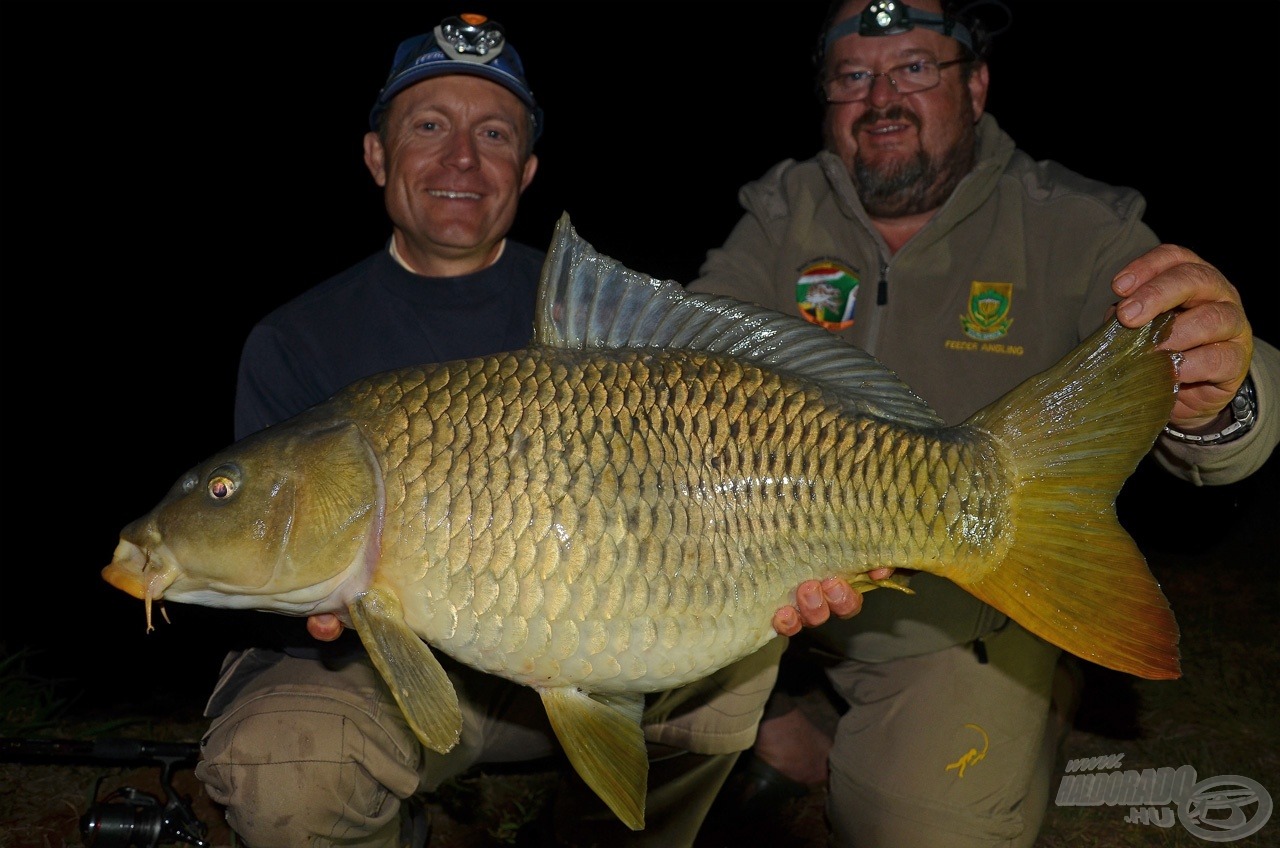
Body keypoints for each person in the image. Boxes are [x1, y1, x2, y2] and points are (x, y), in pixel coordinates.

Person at [194, 13, 798, 847]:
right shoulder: (297, 340)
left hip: (580, 645)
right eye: (429, 127)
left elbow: (720, 475)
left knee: (737, 669)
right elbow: (271, 564)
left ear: (528, 167)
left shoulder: (594, 321)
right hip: (367, 675)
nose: (461, 160)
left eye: (493, 133)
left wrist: (800, 552)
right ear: (377, 156)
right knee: (289, 767)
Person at [686, 1, 1280, 846]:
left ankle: (1027, 687)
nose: (881, 96)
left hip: (965, 612)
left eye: (916, 68)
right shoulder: (781, 213)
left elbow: (1194, 343)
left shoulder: (1069, 223)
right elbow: (688, 347)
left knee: (919, 825)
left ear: (977, 87)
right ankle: (793, 721)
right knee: (645, 667)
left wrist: (1222, 395)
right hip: (786, 594)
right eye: (853, 75)